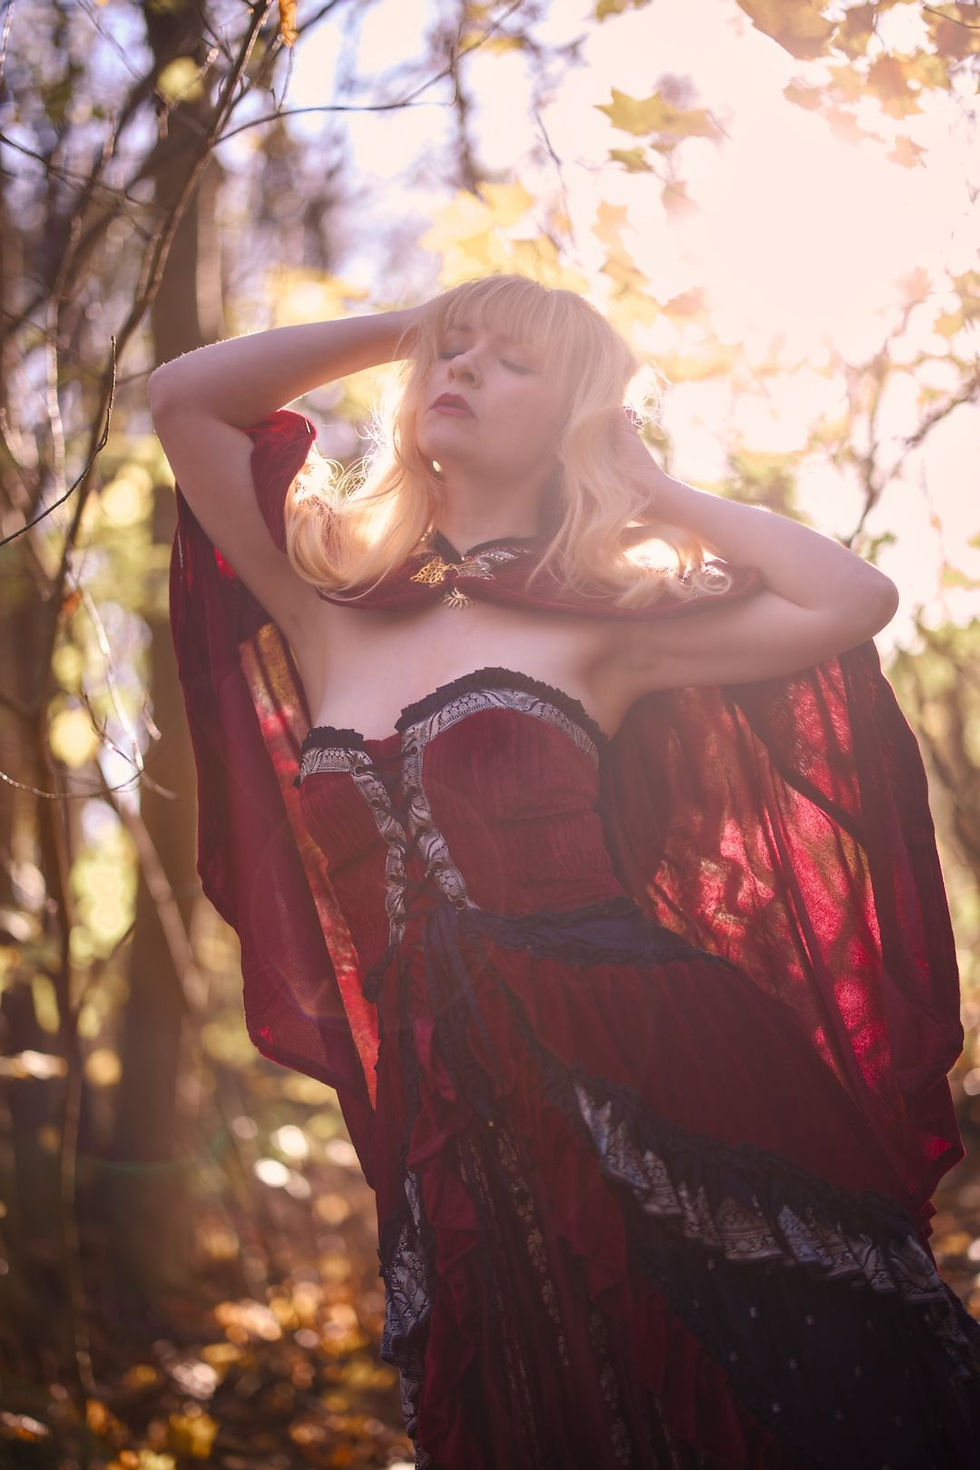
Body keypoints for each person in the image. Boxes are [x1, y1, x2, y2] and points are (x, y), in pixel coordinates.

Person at [150, 274, 980, 1469]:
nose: (464, 371)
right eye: (452, 356)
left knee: (748, 1402)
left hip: (654, 1069)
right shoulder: (325, 607)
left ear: (574, 419)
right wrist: (423, 327)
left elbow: (849, 599)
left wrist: (651, 487)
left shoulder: (600, 628)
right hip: (446, 1108)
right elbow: (186, 398)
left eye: (511, 363)